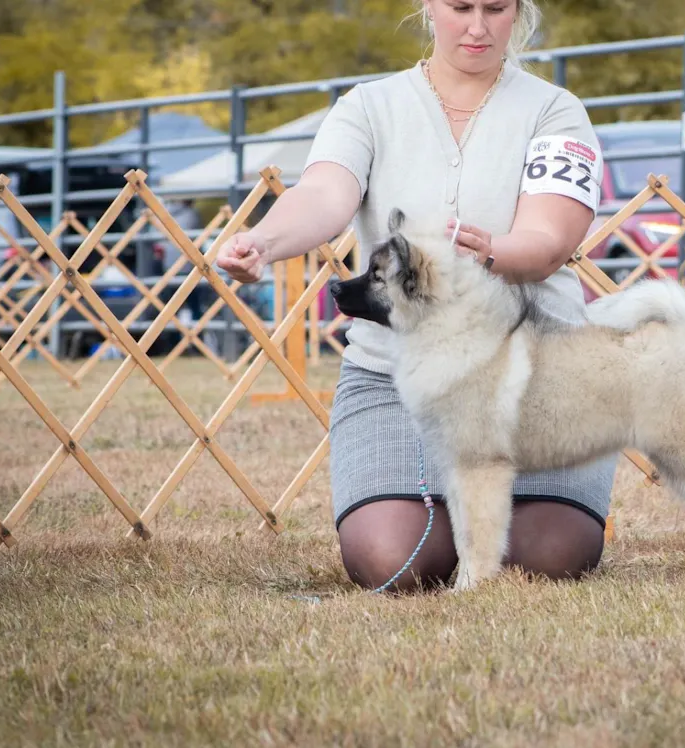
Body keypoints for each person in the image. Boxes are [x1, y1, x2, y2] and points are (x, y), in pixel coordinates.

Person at [215, 0, 617, 592]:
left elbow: (549, 242)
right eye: (460, 7)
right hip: (394, 377)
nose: (478, 26)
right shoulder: (368, 107)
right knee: (390, 562)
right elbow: (326, 193)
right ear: (428, 7)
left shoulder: (557, 111)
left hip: (539, 374)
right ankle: (449, 511)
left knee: (546, 559)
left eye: (496, 8)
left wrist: (487, 255)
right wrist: (263, 241)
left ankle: (472, 513)